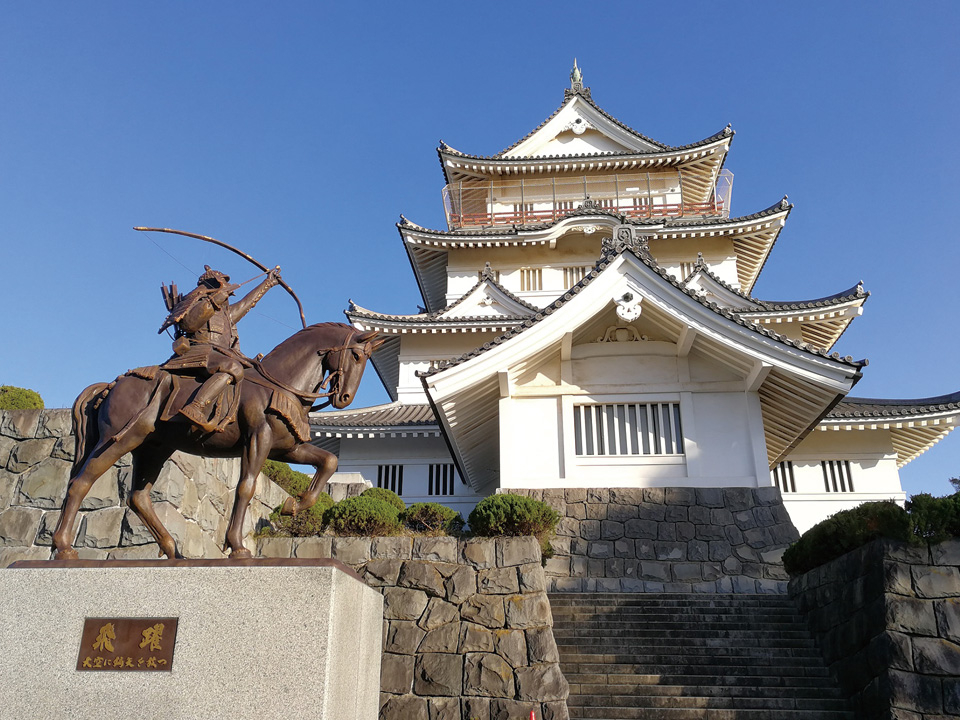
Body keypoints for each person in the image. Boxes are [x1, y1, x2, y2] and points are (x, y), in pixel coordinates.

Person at [159, 264, 281, 432]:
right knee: (232, 367)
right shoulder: (196, 301)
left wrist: (268, 283)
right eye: (222, 283)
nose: (228, 288)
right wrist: (214, 300)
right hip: (199, 351)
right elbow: (189, 324)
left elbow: (247, 303)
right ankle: (195, 406)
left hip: (220, 354)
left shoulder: (225, 314)